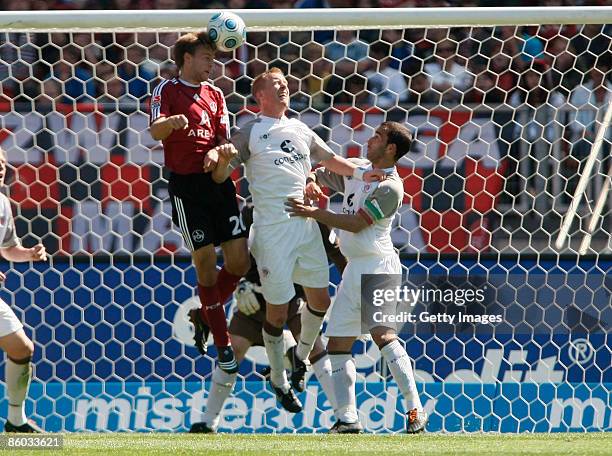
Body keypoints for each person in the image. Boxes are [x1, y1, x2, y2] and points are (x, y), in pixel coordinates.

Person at [210, 67, 383, 412]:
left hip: (304, 223)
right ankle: (278, 378)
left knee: (320, 300)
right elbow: (221, 174)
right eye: (277, 85)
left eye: (287, 84)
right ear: (260, 95)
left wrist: (364, 173)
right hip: (273, 232)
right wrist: (220, 160)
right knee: (276, 314)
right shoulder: (251, 131)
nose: (284, 88)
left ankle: (299, 357)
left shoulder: (302, 129)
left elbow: (332, 160)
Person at [286, 121, 428, 434]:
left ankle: (415, 410)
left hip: (379, 265)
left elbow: (356, 224)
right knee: (338, 343)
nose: (370, 139)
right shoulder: (361, 170)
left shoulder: (390, 187)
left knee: (383, 335)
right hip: (354, 268)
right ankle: (348, 418)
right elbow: (322, 170)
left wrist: (312, 212)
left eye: (377, 136)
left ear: (390, 148)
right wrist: (311, 180)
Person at [189, 205, 346, 432]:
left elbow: (338, 255)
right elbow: (235, 257)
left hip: (295, 298)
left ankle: (343, 417)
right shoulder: (250, 213)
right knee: (236, 349)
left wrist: (355, 293)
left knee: (315, 347)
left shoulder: (311, 214)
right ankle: (208, 421)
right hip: (257, 295)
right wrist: (240, 286)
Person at [149, 31, 250, 374]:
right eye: (207, 57)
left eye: (214, 58)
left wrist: (222, 150)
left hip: (218, 183)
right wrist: (170, 123)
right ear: (187, 59)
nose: (212, 63)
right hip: (187, 188)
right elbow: (155, 130)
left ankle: (204, 313)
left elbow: (223, 138)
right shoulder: (166, 90)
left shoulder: (216, 93)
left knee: (238, 262)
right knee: (205, 261)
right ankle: (223, 346)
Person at [0, 147, 47, 433]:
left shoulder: (3, 204)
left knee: (21, 348)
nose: (1, 167)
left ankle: (15, 422)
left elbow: (7, 249)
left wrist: (28, 253)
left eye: (3, 163)